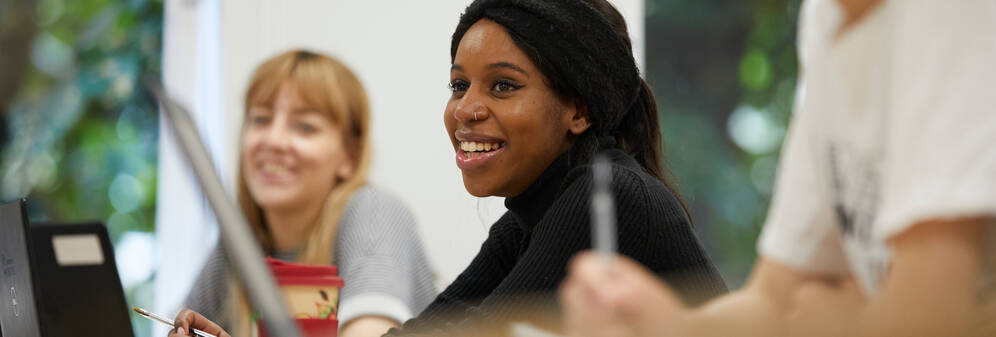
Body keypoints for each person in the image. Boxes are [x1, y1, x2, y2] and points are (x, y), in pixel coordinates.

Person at [170, 0, 728, 335]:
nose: (466, 109)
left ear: (579, 109)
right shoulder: (528, 221)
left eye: (503, 86)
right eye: (459, 85)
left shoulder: (606, 196)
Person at [559, 0, 996, 336]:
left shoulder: (952, 17)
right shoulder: (830, 18)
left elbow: (929, 314)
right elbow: (776, 299)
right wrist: (672, 326)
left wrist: (845, 322)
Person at [168, 50, 437, 337]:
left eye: (305, 127)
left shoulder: (375, 212)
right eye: (260, 119)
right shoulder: (240, 242)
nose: (273, 140)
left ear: (350, 154)